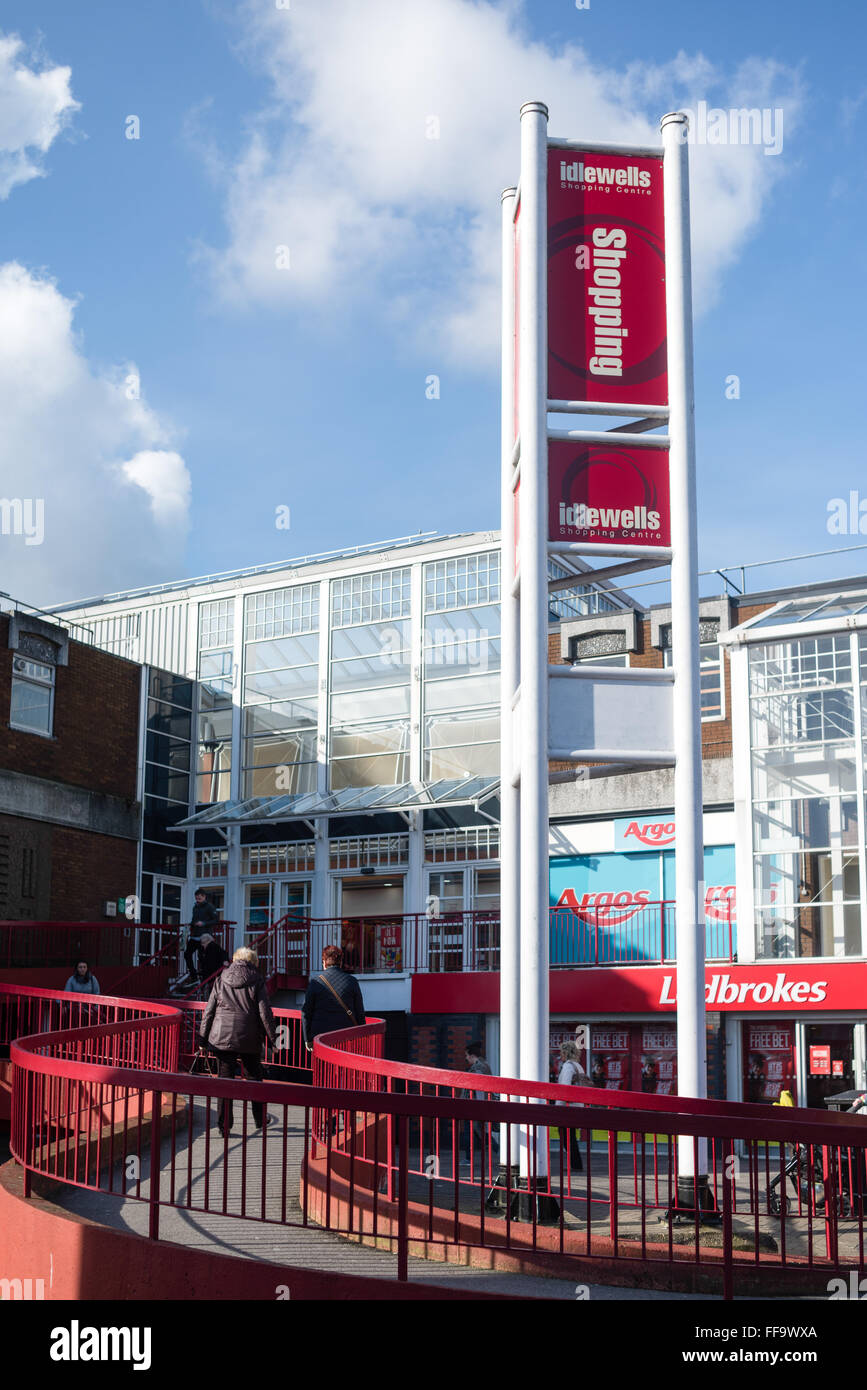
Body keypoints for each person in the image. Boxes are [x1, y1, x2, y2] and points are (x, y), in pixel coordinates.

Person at [199, 946, 276, 1137]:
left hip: (222, 1036)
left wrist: (203, 1038)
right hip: (249, 1037)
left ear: (235, 960)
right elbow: (264, 1013)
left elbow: (209, 1010)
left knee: (225, 1080)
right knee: (254, 1079)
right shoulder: (257, 980)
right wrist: (273, 1039)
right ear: (253, 962)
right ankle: (259, 1119)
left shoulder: (221, 978)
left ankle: (224, 1126)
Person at [301, 945, 366, 1050]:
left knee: (322, 1066)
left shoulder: (315, 982)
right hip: (346, 1037)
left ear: (324, 962)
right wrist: (362, 1036)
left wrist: (307, 1039)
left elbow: (306, 1013)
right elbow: (360, 1012)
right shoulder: (352, 981)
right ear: (340, 963)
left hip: (321, 1038)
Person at [556, 1041, 587, 1174]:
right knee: (571, 1136)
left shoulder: (568, 1067)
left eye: (561, 1052)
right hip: (577, 1105)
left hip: (567, 1107)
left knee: (566, 1136)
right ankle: (575, 1163)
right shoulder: (578, 1066)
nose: (560, 1055)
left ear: (565, 1053)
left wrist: (559, 1106)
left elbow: (565, 1087)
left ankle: (575, 1164)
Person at [461, 1040, 493, 1169]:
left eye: (467, 1056)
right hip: (477, 1105)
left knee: (471, 1131)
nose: (466, 1058)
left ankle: (468, 1158)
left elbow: (479, 1089)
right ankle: (498, 1151)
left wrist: (479, 1106)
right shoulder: (484, 1065)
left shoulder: (478, 1068)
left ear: (472, 1055)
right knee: (481, 1132)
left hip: (473, 1106)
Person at [184, 889, 219, 980]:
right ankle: (193, 974)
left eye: (200, 896)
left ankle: (204, 977)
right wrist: (191, 924)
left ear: (204, 897)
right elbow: (194, 919)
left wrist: (203, 923)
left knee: (202, 956)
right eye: (196, 897)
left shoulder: (210, 907)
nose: (198, 898)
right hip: (195, 935)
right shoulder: (195, 907)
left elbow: (216, 920)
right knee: (187, 954)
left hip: (205, 936)